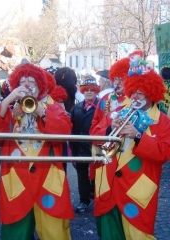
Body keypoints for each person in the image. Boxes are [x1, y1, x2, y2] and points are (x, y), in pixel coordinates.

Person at [0, 63, 74, 240]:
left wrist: (40, 110)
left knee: (54, 232)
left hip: (48, 179)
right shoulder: (10, 110)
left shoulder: (54, 108)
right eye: (22, 81)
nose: (26, 85)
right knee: (15, 231)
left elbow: (64, 132)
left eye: (31, 81)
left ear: (40, 85)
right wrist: (7, 103)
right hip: (16, 179)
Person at [91, 54, 170, 240]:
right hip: (107, 187)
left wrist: (139, 136)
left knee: (138, 236)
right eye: (133, 91)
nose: (135, 96)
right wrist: (111, 127)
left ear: (152, 93)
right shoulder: (117, 112)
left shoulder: (163, 121)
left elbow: (164, 153)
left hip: (137, 191)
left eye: (141, 92)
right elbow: (94, 137)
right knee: (110, 235)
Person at [89, 58, 131, 186]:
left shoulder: (134, 100)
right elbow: (94, 127)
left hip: (127, 153)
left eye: (121, 79)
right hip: (104, 149)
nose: (117, 83)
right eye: (115, 79)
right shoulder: (104, 100)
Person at [70, 77, 100, 213]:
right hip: (80, 147)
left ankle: (99, 198)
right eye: (86, 90)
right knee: (82, 174)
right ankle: (84, 200)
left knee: (98, 173)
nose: (89, 92)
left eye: (92, 90)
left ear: (96, 91)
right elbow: (72, 128)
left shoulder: (103, 106)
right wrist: (73, 147)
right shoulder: (76, 108)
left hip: (96, 146)